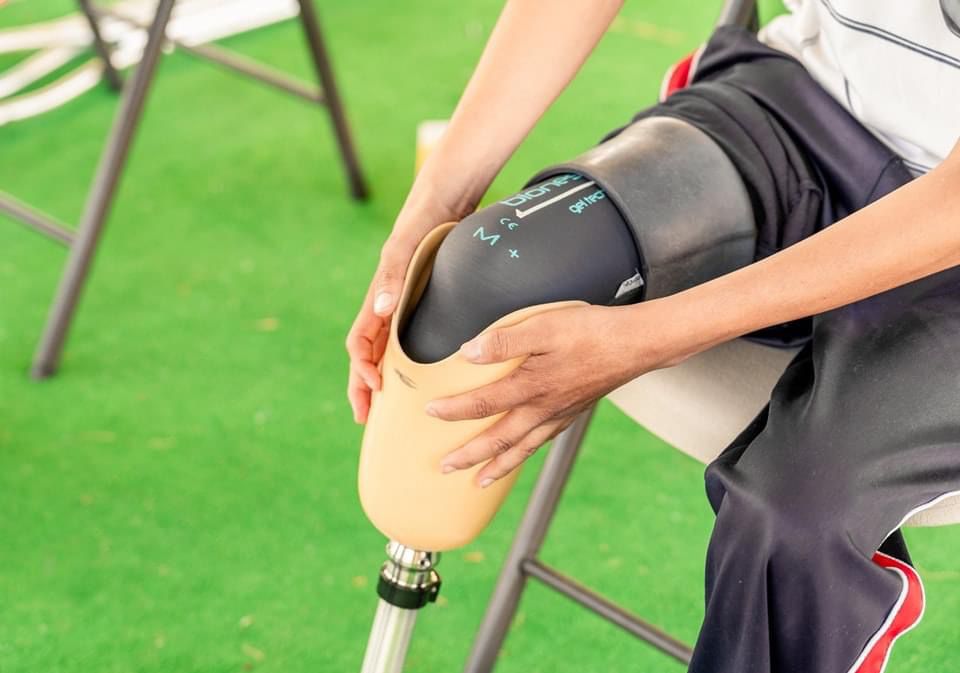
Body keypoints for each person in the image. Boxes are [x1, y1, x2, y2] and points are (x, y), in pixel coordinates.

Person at [346, 1, 960, 671]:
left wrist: (651, 336)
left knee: (797, 514)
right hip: (804, 113)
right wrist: (436, 203)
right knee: (487, 271)